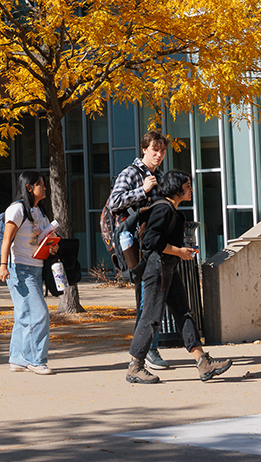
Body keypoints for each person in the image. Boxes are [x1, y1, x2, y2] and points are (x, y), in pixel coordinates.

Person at [124, 171, 233, 384]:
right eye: (188, 185)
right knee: (152, 316)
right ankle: (135, 366)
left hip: (168, 268)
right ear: (177, 188)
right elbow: (150, 241)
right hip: (157, 269)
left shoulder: (171, 210)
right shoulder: (164, 208)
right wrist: (179, 251)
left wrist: (181, 251)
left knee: (183, 312)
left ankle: (203, 362)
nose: (191, 189)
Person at [104, 130, 173, 372]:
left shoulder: (159, 175)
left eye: (162, 151)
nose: (159, 155)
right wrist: (142, 191)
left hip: (152, 241)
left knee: (151, 295)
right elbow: (114, 202)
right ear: (144, 149)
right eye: (155, 150)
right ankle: (145, 350)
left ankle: (142, 349)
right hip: (135, 242)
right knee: (148, 295)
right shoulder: (131, 173)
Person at [0, 170, 56, 375]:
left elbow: (44, 238)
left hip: (36, 267)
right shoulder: (17, 209)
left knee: (24, 314)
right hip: (19, 269)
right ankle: (36, 360)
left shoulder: (40, 211)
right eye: (41, 184)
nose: (44, 187)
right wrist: (3, 265)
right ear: (29, 187)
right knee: (39, 314)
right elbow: (6, 239)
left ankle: (18, 359)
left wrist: (52, 245)